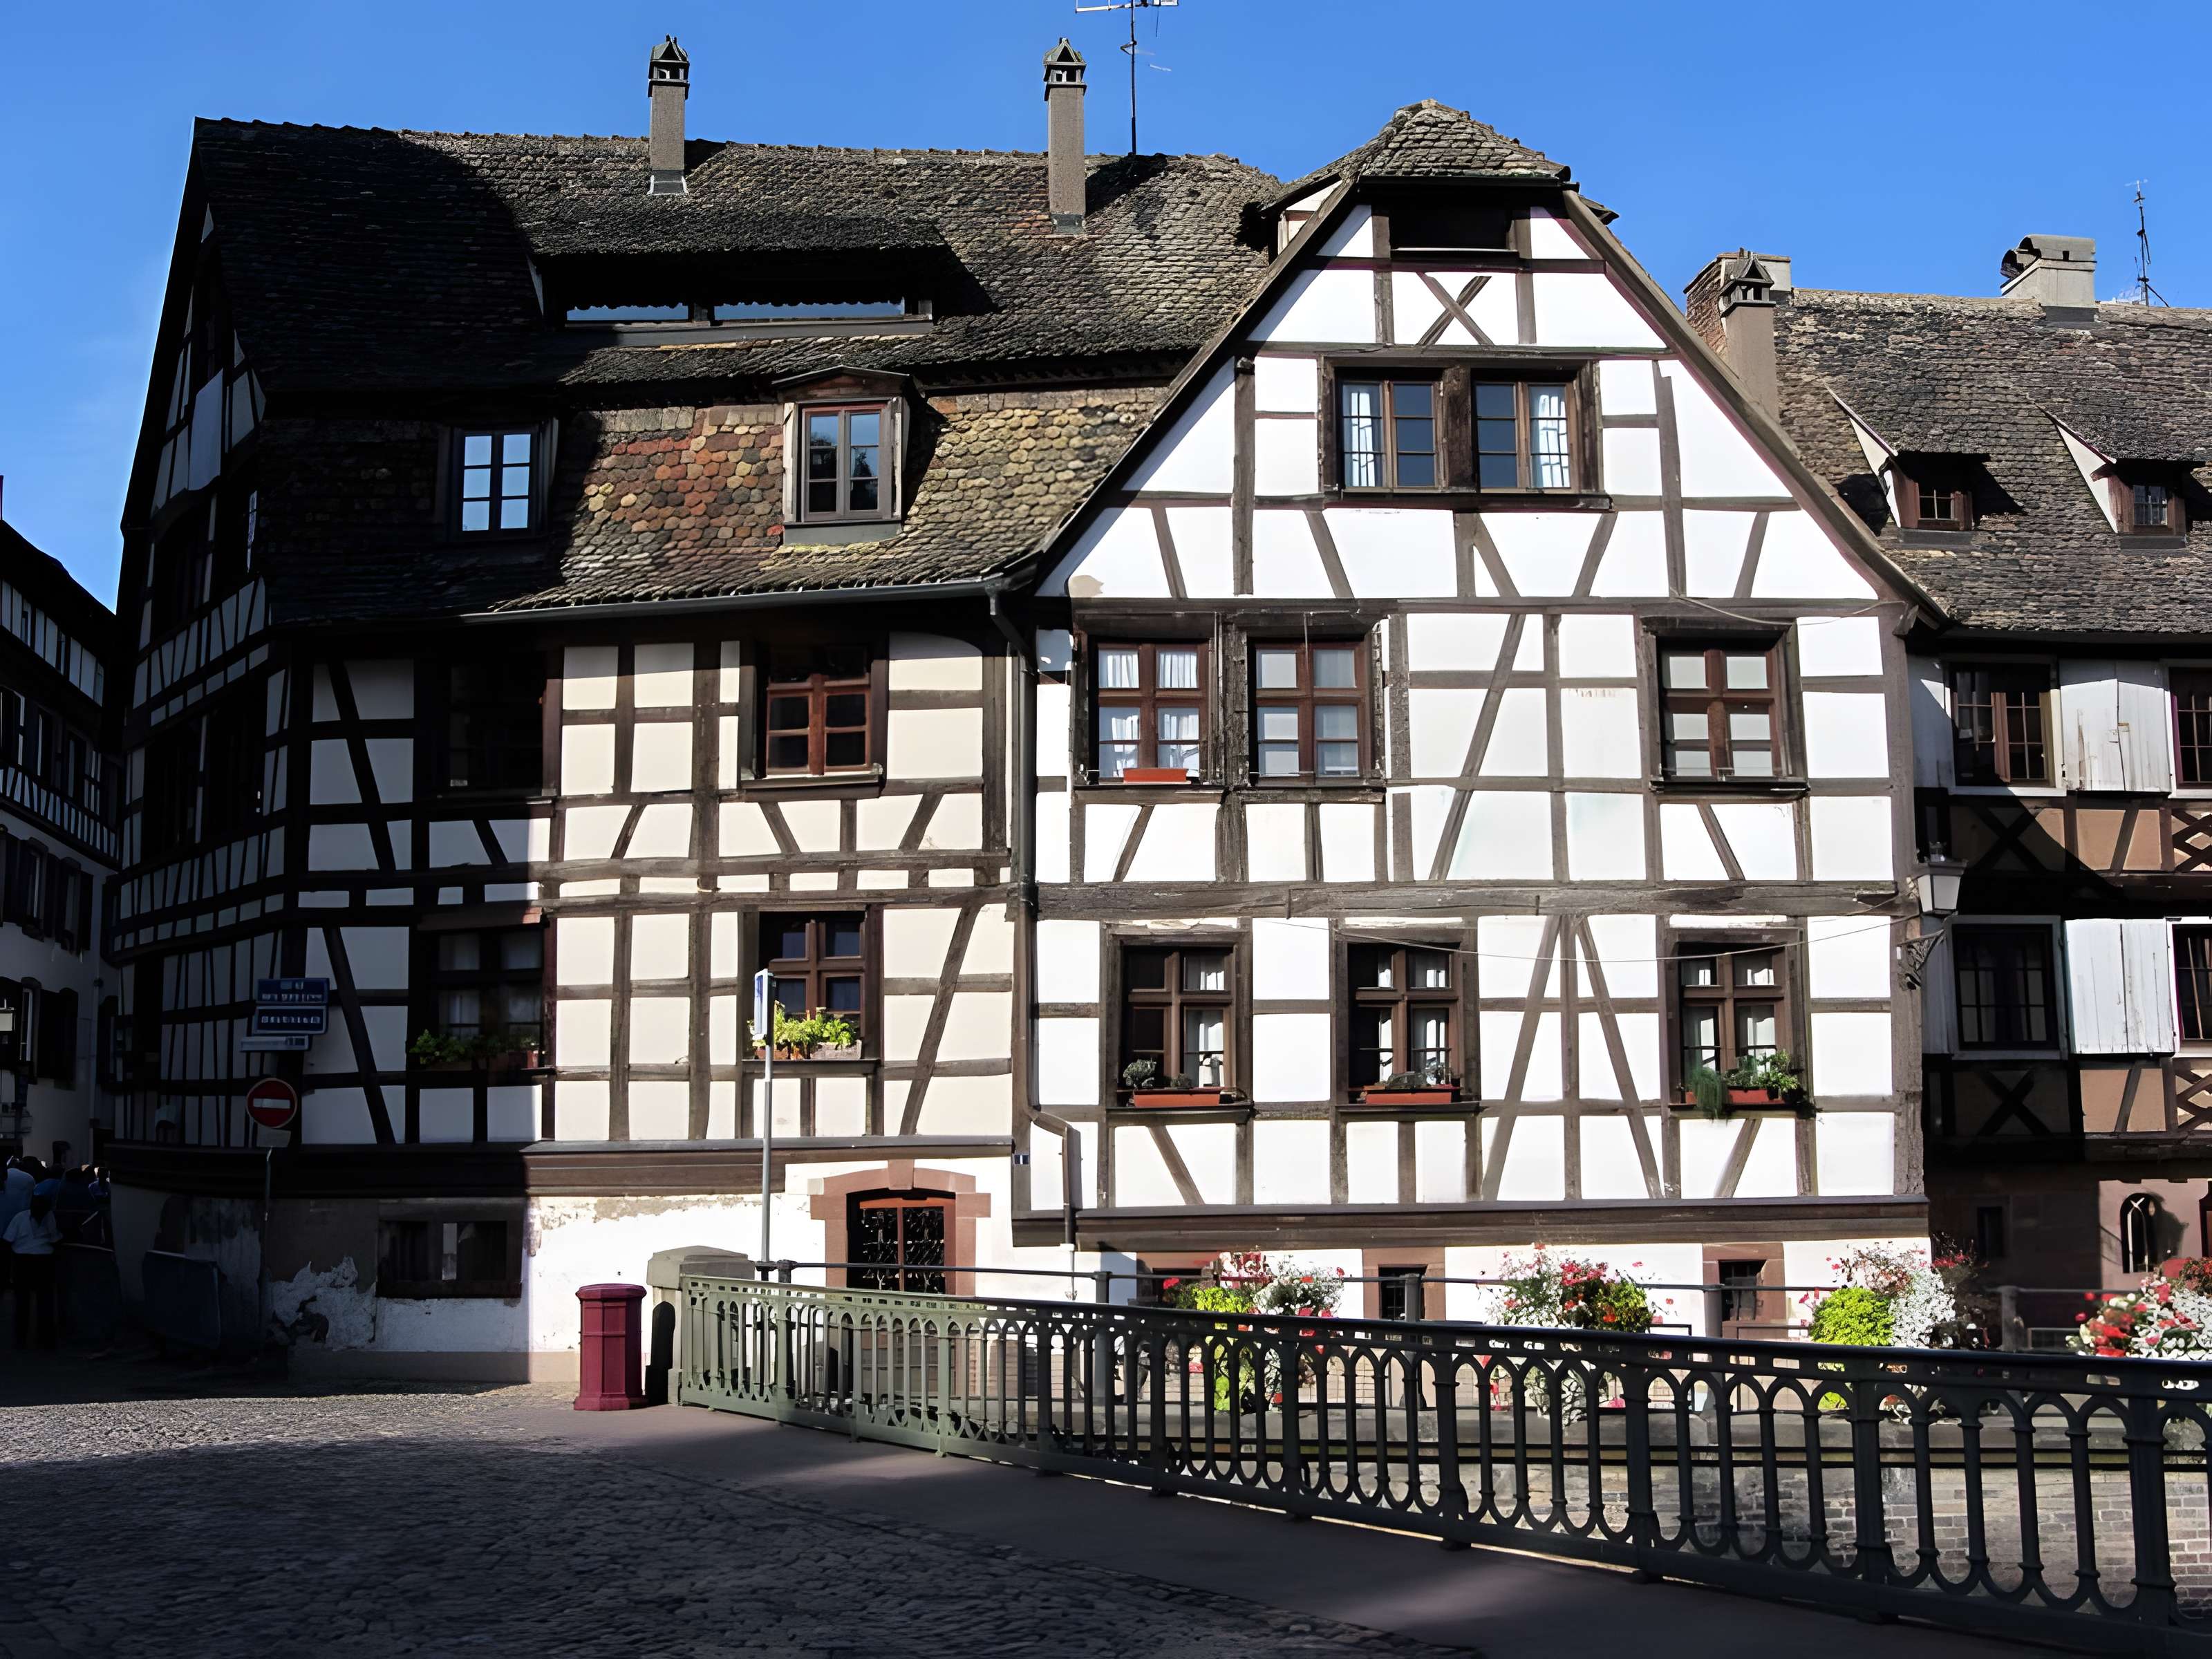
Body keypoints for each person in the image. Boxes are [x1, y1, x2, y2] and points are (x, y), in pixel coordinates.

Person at [4, 1190, 61, 1349]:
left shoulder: (20, 1218)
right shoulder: (48, 1216)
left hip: (24, 1261)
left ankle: (21, 1338)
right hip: (42, 1261)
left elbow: (8, 1240)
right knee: (44, 1301)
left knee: (23, 1302)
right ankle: (44, 1338)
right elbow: (55, 1238)